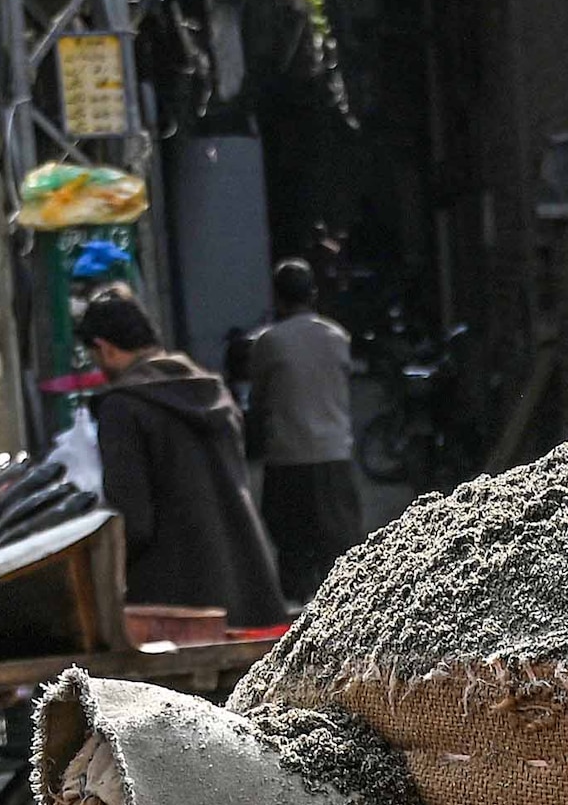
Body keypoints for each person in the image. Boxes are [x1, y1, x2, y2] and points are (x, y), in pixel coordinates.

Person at [73, 287, 288, 627]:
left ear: (104, 348)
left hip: (172, 610)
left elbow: (134, 521)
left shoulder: (123, 407)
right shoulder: (215, 393)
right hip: (248, 587)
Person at [227, 256, 366, 599]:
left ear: (277, 297)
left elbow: (259, 401)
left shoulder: (269, 343)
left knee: (293, 552)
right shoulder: (337, 337)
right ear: (313, 294)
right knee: (341, 554)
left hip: (288, 460)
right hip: (334, 456)